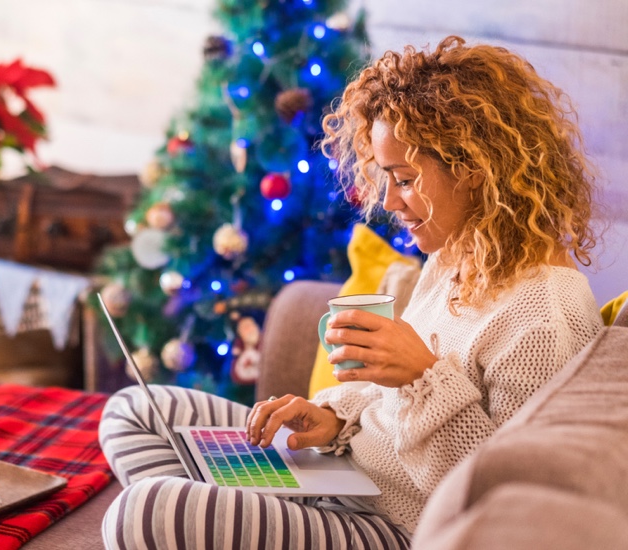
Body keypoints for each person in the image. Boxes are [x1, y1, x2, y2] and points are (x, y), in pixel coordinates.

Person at [98, 35, 604, 549]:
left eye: (403, 179)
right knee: (132, 411)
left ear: (474, 170)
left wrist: (423, 377)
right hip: (342, 475)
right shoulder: (457, 256)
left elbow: (493, 499)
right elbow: (384, 399)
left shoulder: (544, 317)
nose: (387, 201)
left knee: (145, 510)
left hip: (394, 526)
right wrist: (334, 419)